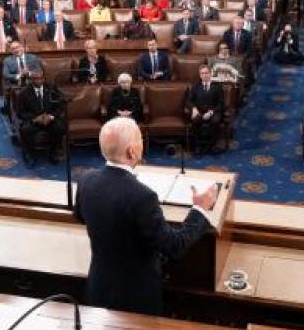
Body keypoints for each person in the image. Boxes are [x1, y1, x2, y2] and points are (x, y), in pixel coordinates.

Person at [72, 117, 217, 315]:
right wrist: (200, 208)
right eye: (140, 139)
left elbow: (81, 216)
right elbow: (174, 246)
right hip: (136, 299)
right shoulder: (143, 196)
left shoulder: (86, 180)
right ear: (132, 151)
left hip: (98, 287)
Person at [15, 71, 66, 164]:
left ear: (44, 78)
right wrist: (35, 118)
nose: (38, 81)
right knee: (26, 130)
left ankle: (54, 152)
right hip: (33, 120)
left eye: (40, 78)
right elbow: (20, 112)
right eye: (35, 79)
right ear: (31, 80)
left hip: (49, 118)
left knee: (59, 127)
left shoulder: (51, 88)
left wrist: (51, 116)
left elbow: (60, 106)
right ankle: (30, 153)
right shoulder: (23, 93)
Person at [186, 65, 225, 155]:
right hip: (199, 111)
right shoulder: (196, 86)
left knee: (216, 121)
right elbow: (188, 101)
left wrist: (211, 112)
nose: (204, 75)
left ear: (210, 74)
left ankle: (212, 145)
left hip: (213, 111)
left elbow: (221, 103)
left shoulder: (217, 86)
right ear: (200, 75)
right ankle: (197, 146)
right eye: (202, 73)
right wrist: (194, 109)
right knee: (195, 120)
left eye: (206, 73)